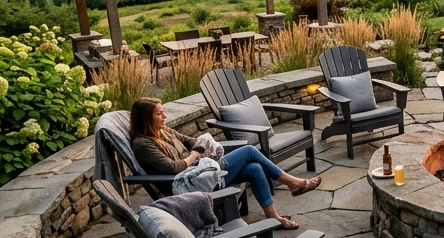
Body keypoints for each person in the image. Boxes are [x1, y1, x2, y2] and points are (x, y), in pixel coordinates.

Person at [129, 98, 319, 229]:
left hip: (199, 172)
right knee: (249, 151)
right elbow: (174, 168)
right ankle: (293, 183)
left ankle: (273, 217)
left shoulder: (162, 131)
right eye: (160, 114)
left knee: (254, 168)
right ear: (146, 118)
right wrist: (196, 154)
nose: (165, 117)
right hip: (187, 185)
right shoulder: (143, 144)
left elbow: (190, 141)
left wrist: (203, 144)